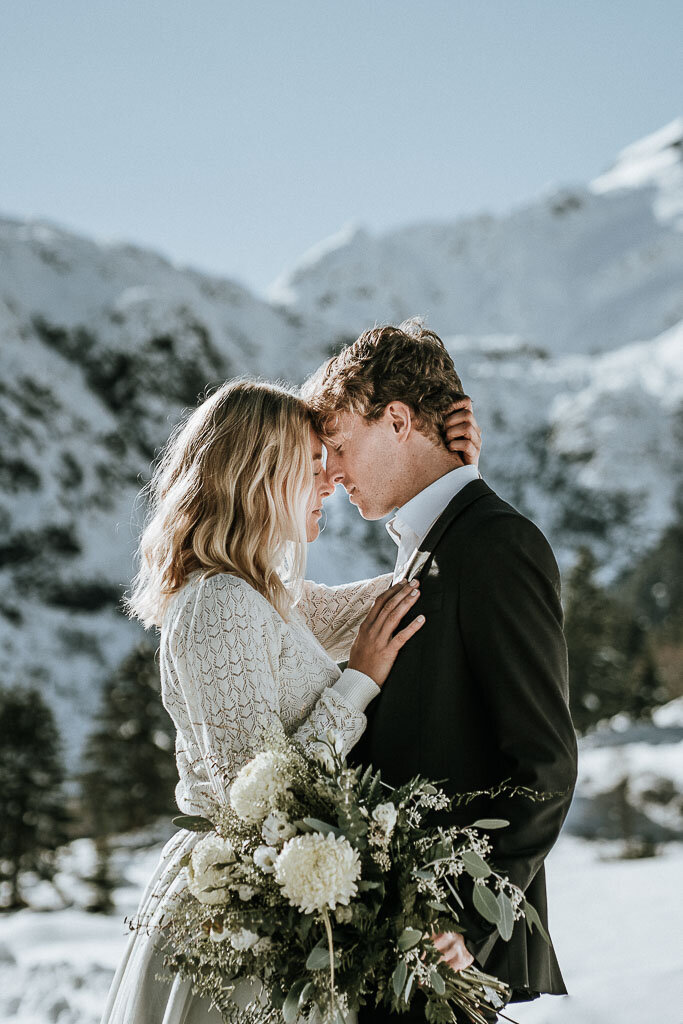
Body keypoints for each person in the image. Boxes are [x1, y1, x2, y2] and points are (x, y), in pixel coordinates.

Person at [101, 377, 482, 1024]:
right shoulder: (218, 606)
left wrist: (450, 482)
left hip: (275, 904)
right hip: (234, 927)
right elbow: (261, 798)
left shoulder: (262, 594)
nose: (330, 480)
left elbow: (400, 594)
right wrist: (358, 681)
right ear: (259, 476)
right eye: (311, 466)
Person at [303, 319, 579, 1023]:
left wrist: (458, 918)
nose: (329, 474)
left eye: (337, 446)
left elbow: (543, 763)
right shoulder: (432, 543)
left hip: (436, 951)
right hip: (388, 946)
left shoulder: (495, 543)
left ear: (396, 420)